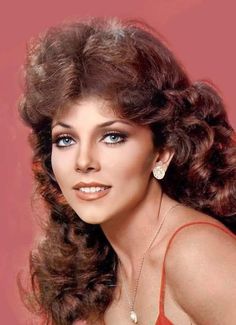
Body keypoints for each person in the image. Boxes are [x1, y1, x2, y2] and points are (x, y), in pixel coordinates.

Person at [17, 16, 236, 325]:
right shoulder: (100, 270)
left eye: (113, 136)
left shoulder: (195, 255)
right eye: (66, 139)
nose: (84, 161)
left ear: (162, 152)